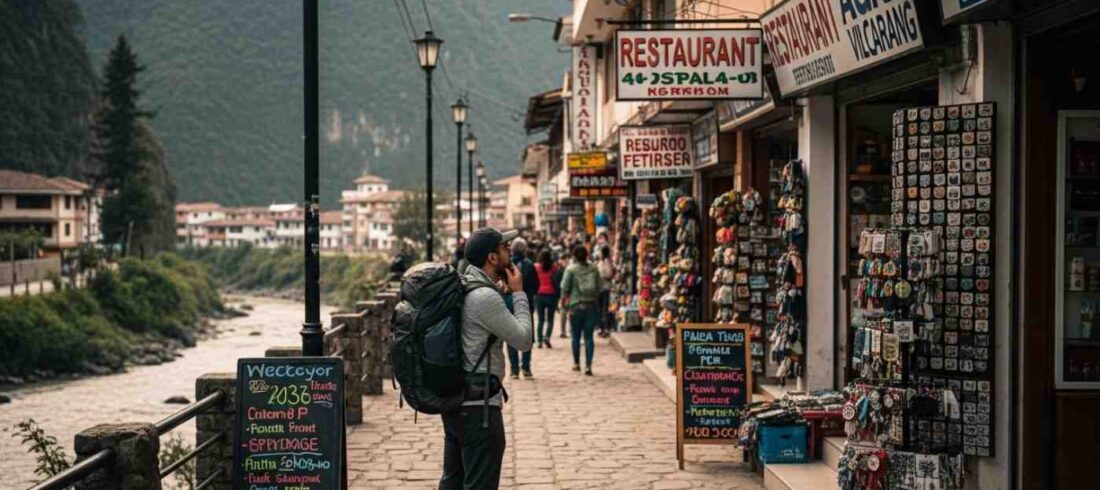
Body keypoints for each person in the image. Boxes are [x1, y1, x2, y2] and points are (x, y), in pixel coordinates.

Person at [440, 227, 532, 490]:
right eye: (505, 248)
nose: (510, 252)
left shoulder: (467, 285)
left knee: (452, 482)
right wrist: (518, 294)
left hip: (456, 401)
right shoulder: (485, 297)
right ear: (492, 258)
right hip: (479, 408)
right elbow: (523, 340)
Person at [560, 245, 603, 375]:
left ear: (574, 256)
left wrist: (563, 304)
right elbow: (599, 287)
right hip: (591, 305)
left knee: (576, 336)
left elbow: (564, 288)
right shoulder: (594, 269)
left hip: (575, 306)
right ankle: (588, 366)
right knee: (589, 337)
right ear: (586, 255)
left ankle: (577, 363)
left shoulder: (570, 270)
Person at [506, 238, 538, 379]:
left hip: (509, 303)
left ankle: (514, 370)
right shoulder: (529, 264)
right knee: (527, 336)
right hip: (526, 302)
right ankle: (526, 368)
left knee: (511, 336)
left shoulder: (507, 265)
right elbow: (535, 285)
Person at [533, 249, 559, 348]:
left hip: (539, 295)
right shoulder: (553, 268)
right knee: (550, 319)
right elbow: (556, 282)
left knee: (540, 320)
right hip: (551, 295)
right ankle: (547, 337)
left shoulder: (536, 267)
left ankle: (539, 341)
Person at [595, 245, 615, 338]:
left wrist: (601, 276)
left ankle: (605, 328)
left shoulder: (607, 262)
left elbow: (609, 274)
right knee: (600, 309)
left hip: (605, 288)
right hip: (600, 288)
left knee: (604, 309)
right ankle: (601, 327)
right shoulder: (600, 262)